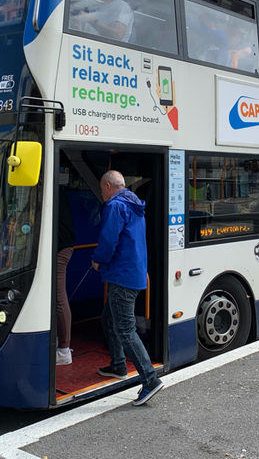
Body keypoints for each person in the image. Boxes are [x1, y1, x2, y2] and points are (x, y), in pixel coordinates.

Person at [91, 170, 163, 406]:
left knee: (125, 329)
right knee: (108, 320)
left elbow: (109, 240)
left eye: (102, 189)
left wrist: (98, 259)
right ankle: (118, 364)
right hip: (133, 273)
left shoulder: (115, 207)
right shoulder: (134, 206)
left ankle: (150, 379)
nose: (102, 193)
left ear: (109, 185)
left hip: (121, 276)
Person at [56, 186, 75, 366]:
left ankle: (63, 350)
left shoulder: (52, 189)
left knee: (58, 297)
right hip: (60, 245)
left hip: (60, 248)